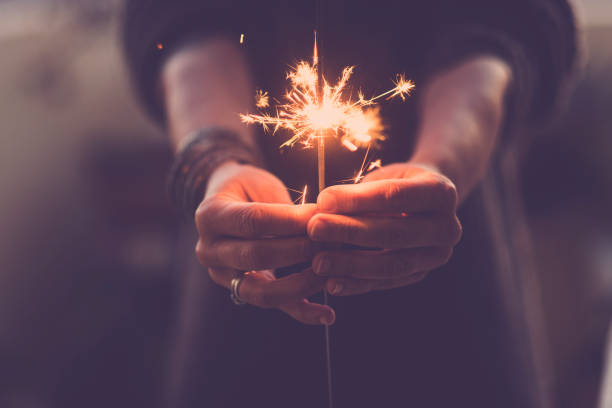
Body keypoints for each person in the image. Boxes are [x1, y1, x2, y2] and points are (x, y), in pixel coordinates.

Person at [122, 1, 577, 407]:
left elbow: (510, 17)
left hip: (449, 275)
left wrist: (442, 162)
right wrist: (217, 160)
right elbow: (178, 17)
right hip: (244, 273)